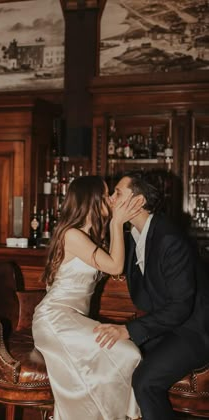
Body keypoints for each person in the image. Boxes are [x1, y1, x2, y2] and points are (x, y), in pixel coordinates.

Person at [94, 171, 209, 420]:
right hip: (167, 328)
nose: (111, 199)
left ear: (138, 201)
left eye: (118, 193)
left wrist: (127, 330)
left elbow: (180, 308)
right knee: (113, 358)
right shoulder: (135, 238)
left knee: (145, 382)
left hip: (193, 332)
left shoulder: (169, 239)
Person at [32, 175, 144, 420]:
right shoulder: (72, 235)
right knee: (129, 353)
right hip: (55, 319)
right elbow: (115, 267)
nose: (110, 199)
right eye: (105, 194)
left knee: (127, 355)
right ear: (90, 198)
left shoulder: (86, 236)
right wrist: (116, 223)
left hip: (71, 318)